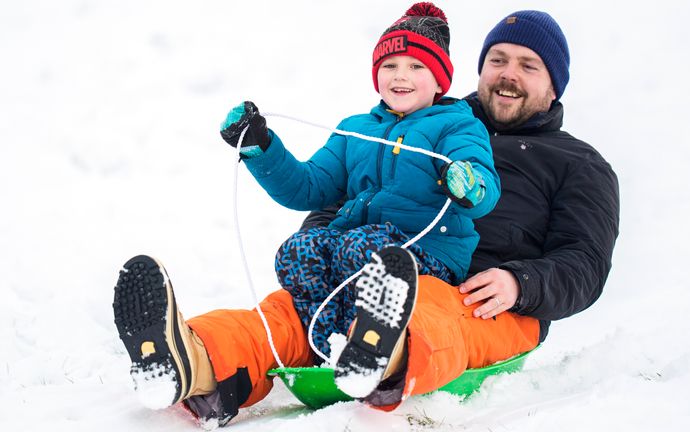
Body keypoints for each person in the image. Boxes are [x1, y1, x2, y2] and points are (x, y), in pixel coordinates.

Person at [111, 8, 619, 427]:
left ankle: (381, 355)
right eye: (498, 60)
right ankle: (192, 358)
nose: (508, 73)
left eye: (528, 65)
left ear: (555, 83)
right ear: (477, 69)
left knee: (429, 313)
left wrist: (520, 282)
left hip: (486, 300)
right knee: (284, 316)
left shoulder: (578, 164)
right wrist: (327, 249)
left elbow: (586, 261)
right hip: (375, 263)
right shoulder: (415, 123)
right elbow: (337, 193)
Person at [217, 2, 500, 375]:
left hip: (427, 254)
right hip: (363, 246)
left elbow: (484, 185)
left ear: (440, 80)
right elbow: (308, 187)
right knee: (297, 251)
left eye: (417, 67)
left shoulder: (455, 126)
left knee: (364, 247)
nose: (401, 76)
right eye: (390, 66)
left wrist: (468, 183)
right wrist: (260, 147)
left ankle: (368, 345)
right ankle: (330, 345)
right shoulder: (356, 128)